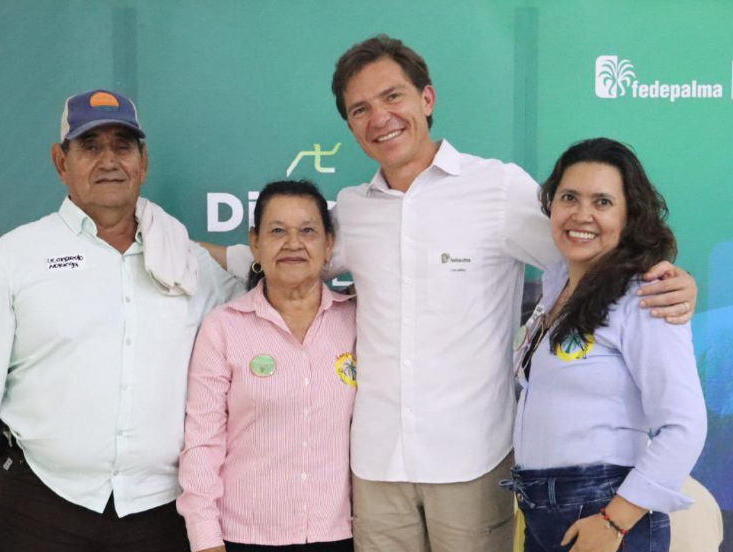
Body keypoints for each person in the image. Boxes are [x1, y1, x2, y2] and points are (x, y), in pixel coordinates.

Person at [205, 36, 699, 552]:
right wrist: (176, 245)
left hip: (473, 462)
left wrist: (666, 279)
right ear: (350, 125)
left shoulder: (498, 189)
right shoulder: (350, 209)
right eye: (361, 109)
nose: (380, 117)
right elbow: (287, 259)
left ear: (427, 99)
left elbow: (584, 246)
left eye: (393, 97)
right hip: (376, 467)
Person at [0, 89, 243, 552]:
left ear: (143, 160)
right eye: (90, 147)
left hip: (162, 512)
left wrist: (211, 250)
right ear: (61, 162)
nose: (109, 161)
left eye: (122, 146)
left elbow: (277, 277)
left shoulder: (189, 263)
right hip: (43, 506)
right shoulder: (15, 257)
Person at [506, 138, 707, 552]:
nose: (582, 215)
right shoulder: (556, 284)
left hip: (603, 512)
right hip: (542, 512)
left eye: (602, 202)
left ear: (629, 215)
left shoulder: (646, 296)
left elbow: (685, 426)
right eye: (569, 197)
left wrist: (613, 522)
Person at [178, 180, 357, 552]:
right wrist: (205, 539)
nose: (293, 243)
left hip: (339, 536)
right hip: (241, 538)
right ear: (255, 244)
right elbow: (202, 443)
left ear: (329, 245)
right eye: (277, 231)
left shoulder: (357, 322)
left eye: (307, 230)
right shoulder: (224, 327)